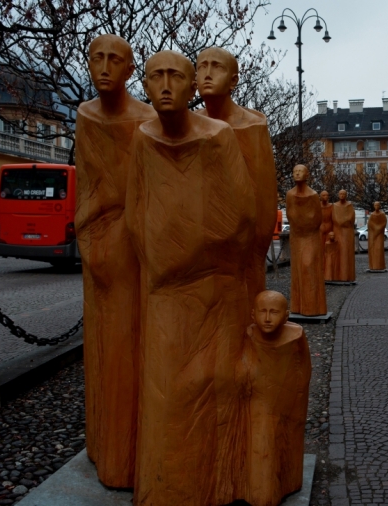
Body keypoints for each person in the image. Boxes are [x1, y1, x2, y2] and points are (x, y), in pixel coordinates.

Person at [125, 49, 256, 505]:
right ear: (143, 83)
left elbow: (240, 215)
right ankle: (165, 489)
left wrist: (193, 253)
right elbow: (135, 212)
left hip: (213, 287)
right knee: (163, 396)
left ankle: (214, 485)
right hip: (164, 288)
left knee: (210, 388)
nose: (165, 85)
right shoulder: (142, 139)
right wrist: (159, 262)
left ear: (188, 85)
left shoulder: (219, 137)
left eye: (175, 77)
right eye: (155, 76)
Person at [75, 34, 157, 488]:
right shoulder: (85, 115)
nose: (104, 66)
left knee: (130, 346)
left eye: (115, 60)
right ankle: (103, 441)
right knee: (103, 346)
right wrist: (90, 244)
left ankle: (128, 454)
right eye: (97, 58)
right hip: (98, 244)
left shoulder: (146, 119)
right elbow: (86, 184)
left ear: (129, 70)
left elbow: (152, 187)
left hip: (136, 242)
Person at [195, 46, 276, 304]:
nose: (207, 74)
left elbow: (264, 201)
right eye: (201, 67)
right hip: (200, 243)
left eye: (216, 66)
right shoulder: (189, 125)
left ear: (234, 80)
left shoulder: (252, 126)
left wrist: (252, 255)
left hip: (244, 251)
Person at [243, 290, 311, 506]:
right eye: (262, 312)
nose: (267, 318)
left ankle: (288, 479)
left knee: (284, 440)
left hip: (287, 397)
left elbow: (305, 370)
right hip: (257, 399)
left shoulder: (296, 335)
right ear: (253, 314)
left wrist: (298, 399)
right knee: (261, 444)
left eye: (274, 312)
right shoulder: (249, 335)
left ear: (286, 315)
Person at [286, 165, 327, 315]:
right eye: (294, 171)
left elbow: (317, 219)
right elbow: (290, 215)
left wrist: (303, 223)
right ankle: (298, 306)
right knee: (297, 270)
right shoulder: (289, 194)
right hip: (296, 236)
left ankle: (312, 307)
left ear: (307, 174)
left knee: (308, 266)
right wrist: (299, 223)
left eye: (300, 171)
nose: (297, 173)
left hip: (310, 236)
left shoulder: (313, 195)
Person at [332, 189, 356, 281]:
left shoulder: (349, 205)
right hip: (338, 230)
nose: (342, 195)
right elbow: (334, 217)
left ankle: (347, 275)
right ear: (338, 195)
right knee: (338, 251)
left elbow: (351, 216)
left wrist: (344, 221)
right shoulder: (335, 205)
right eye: (340, 194)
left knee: (346, 252)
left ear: (346, 195)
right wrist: (340, 222)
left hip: (347, 231)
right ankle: (338, 274)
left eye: (343, 194)